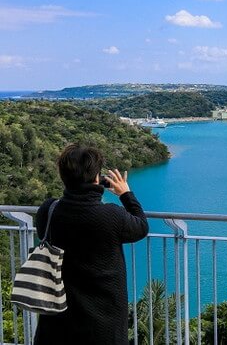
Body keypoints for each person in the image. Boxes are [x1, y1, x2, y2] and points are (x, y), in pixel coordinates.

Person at [33, 143, 149, 345]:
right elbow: (141, 227)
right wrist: (126, 194)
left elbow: (46, 232)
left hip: (56, 319)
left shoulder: (49, 210)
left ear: (63, 176)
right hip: (103, 323)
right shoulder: (112, 215)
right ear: (97, 178)